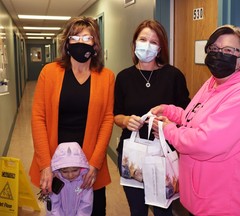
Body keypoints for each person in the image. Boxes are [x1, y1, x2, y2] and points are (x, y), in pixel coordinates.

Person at [150, 24, 240, 216]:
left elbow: (206, 141)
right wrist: (169, 111)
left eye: (228, 50)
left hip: (223, 200)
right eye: (214, 49)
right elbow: (192, 118)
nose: (219, 54)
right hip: (202, 194)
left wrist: (168, 130)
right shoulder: (212, 83)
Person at [29, 16, 115, 216]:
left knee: (93, 211)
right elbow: (38, 118)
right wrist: (45, 166)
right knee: (58, 210)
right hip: (56, 165)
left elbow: (107, 120)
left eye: (87, 37)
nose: (80, 42)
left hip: (89, 167)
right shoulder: (49, 72)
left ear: (96, 44)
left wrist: (95, 164)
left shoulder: (107, 77)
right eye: (75, 37)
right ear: (67, 43)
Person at [114, 19, 190, 216]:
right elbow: (116, 113)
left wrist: (169, 123)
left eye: (154, 42)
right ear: (134, 43)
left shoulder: (173, 76)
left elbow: (186, 116)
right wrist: (125, 120)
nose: (147, 45)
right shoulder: (123, 77)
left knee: (162, 210)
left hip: (162, 154)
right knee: (137, 210)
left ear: (160, 48)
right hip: (132, 154)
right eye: (143, 39)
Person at [47, 142, 93, 215]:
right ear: (58, 169)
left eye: (75, 170)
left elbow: (86, 205)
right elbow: (53, 205)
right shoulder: (56, 182)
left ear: (81, 167)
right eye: (65, 171)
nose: (70, 175)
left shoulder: (84, 182)